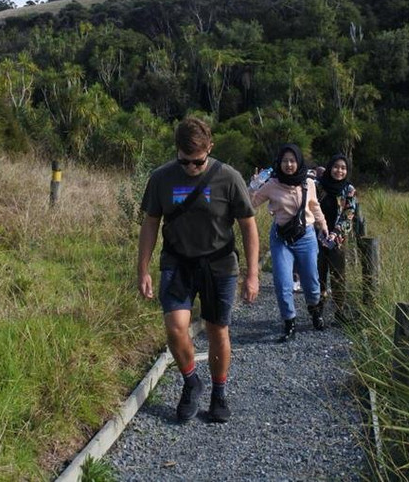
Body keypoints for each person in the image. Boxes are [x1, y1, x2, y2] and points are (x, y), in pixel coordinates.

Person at [137, 117, 260, 424]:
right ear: (176, 151)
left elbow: (248, 226)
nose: (191, 168)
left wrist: (252, 274)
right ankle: (191, 382)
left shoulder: (229, 178)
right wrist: (143, 269)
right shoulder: (161, 178)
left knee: (217, 329)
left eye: (198, 162)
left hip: (218, 264)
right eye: (185, 162)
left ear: (210, 149)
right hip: (177, 262)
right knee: (175, 327)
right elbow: (151, 223)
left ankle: (219, 393)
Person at [249, 144, 328, 341]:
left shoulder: (308, 183)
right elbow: (251, 204)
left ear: (299, 162)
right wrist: (253, 186)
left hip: (306, 236)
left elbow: (314, 206)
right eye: (285, 161)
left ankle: (314, 311)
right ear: (279, 163)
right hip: (281, 238)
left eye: (292, 161)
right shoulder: (272, 184)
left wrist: (323, 224)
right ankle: (289, 322)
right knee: (283, 282)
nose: (289, 165)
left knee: (311, 281)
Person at [316, 153, 358, 323]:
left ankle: (339, 311)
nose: (339, 171)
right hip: (317, 236)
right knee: (317, 273)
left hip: (338, 239)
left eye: (343, 168)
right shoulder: (318, 186)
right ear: (329, 167)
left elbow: (349, 214)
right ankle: (317, 311)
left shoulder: (349, 190)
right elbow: (310, 206)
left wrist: (335, 233)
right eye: (336, 167)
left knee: (338, 275)